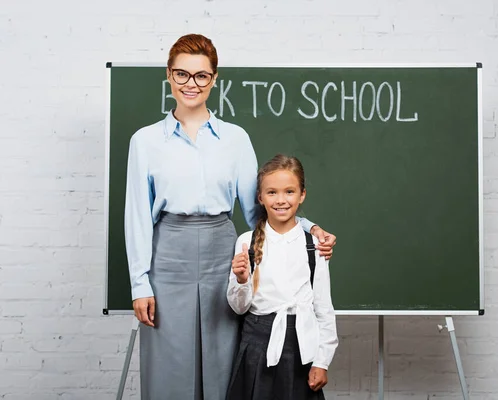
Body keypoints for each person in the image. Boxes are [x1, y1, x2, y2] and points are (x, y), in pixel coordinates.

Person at [124, 34, 337, 400]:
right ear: (169, 76)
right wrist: (140, 283)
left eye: (202, 76)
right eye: (182, 74)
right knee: (167, 365)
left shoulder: (235, 139)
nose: (191, 84)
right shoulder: (144, 141)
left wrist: (308, 227)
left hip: (224, 255)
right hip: (167, 256)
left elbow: (262, 211)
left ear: (214, 78)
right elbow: (138, 216)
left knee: (224, 361)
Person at [226, 154, 338, 400]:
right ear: (260, 197)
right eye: (272, 192)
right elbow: (239, 307)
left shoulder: (314, 244)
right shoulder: (247, 242)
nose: (281, 200)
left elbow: (323, 308)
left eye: (289, 191)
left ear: (302, 195)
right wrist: (242, 281)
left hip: (301, 348)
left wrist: (322, 361)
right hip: (257, 344)